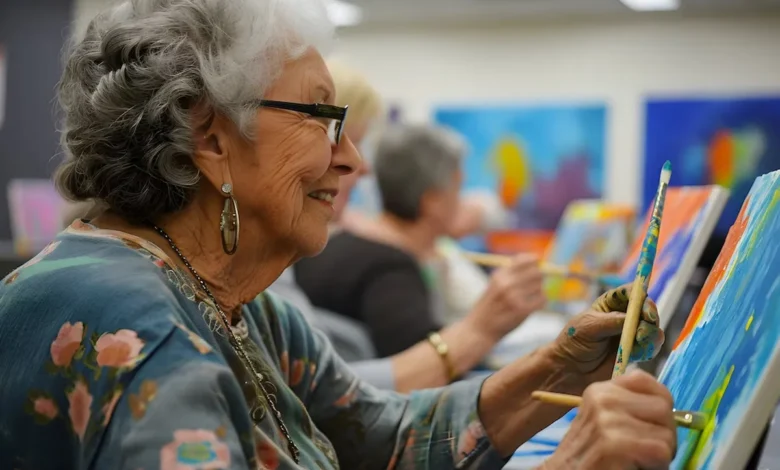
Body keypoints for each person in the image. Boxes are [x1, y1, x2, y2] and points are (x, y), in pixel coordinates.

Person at [0, 1, 672, 469]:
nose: (353, 160)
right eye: (323, 117)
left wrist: (561, 366)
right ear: (209, 137)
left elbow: (380, 439)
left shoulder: (235, 301)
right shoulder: (149, 334)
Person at [295, 124, 545, 358]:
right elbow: (426, 367)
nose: (464, 202)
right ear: (432, 201)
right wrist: (484, 327)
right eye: (458, 189)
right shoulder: (390, 268)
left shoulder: (342, 247)